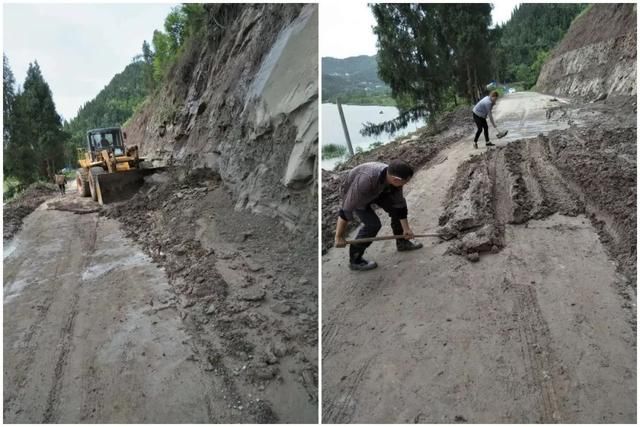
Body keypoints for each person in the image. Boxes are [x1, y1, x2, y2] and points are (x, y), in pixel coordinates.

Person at [334, 160, 423, 271]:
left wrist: (406, 229)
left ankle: (402, 242)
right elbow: (345, 210)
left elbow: (400, 205)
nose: (405, 185)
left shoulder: (394, 180)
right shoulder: (365, 181)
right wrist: (339, 237)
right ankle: (355, 260)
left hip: (379, 190)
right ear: (396, 180)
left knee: (395, 210)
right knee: (373, 225)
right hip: (356, 195)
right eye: (405, 182)